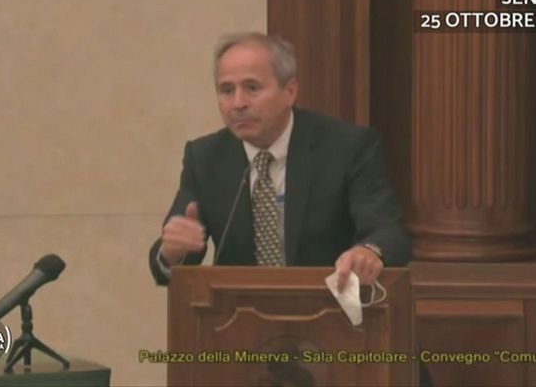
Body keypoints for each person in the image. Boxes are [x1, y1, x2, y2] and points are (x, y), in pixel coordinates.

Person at [148, 32, 411, 291]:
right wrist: (171, 253)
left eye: (252, 88)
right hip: (237, 313)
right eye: (226, 90)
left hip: (329, 307)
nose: (238, 103)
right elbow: (169, 264)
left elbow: (387, 231)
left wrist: (369, 251)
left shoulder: (346, 147)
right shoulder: (206, 158)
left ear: (290, 91)